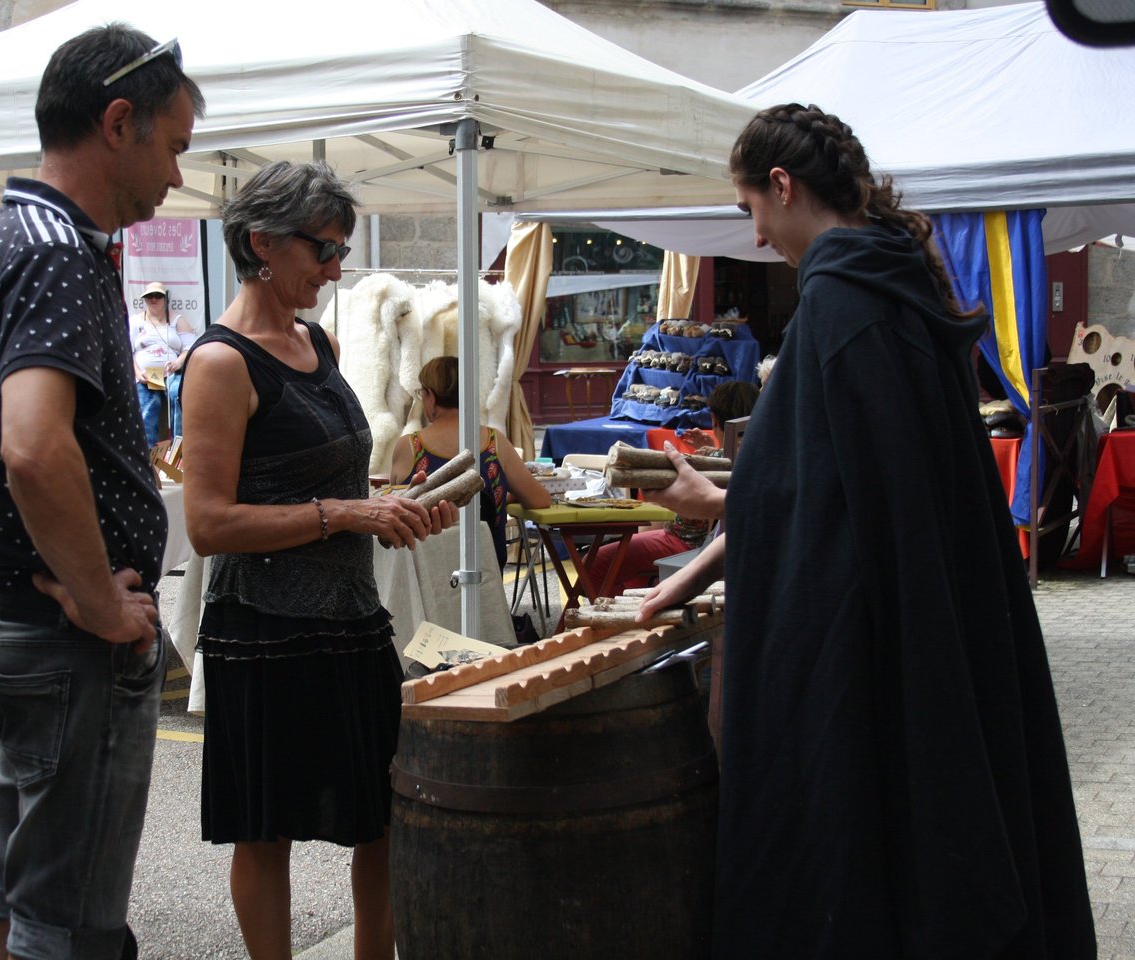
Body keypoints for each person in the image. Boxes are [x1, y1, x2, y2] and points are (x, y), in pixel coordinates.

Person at [638, 103, 1094, 957]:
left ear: (782, 185)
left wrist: (723, 506)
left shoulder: (846, 308)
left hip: (865, 658)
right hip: (915, 624)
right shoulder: (894, 286)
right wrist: (712, 547)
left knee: (859, 867)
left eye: (750, 208)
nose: (757, 235)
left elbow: (850, 503)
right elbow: (856, 487)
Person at [0, 25, 204, 960]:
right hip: (65, 638)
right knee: (69, 931)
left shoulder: (4, 239)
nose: (175, 176)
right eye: (173, 146)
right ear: (118, 123)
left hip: (26, 625)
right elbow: (35, 449)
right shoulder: (56, 252)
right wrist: (98, 599)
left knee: (17, 909)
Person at [180, 160, 455, 960]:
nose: (336, 270)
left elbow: (326, 477)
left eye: (342, 251)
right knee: (267, 829)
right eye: (324, 249)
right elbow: (207, 523)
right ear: (262, 243)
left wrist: (392, 502)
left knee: (385, 811)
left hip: (350, 618)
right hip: (264, 629)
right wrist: (346, 513)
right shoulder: (220, 362)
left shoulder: (317, 342)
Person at [583, 379, 758, 595]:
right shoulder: (757, 454)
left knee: (594, 565)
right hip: (710, 543)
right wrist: (712, 449)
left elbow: (692, 513)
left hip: (689, 544)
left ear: (713, 419)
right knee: (629, 550)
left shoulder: (720, 459)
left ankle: (622, 607)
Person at [388, 355, 552, 569]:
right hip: (484, 573)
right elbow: (540, 500)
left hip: (423, 575)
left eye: (422, 394)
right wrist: (499, 496)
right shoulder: (494, 443)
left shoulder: (409, 447)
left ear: (431, 396)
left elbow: (397, 508)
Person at [129, 280, 196, 444]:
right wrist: (138, 373)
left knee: (177, 394)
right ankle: (148, 452)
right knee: (149, 405)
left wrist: (177, 363)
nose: (153, 299)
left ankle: (178, 447)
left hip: (171, 373)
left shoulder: (177, 320)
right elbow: (127, 352)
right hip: (147, 376)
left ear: (165, 299)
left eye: (157, 296)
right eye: (149, 296)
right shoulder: (135, 321)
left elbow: (189, 348)